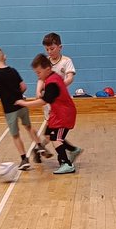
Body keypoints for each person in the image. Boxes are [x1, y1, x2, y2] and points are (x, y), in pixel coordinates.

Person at [17, 53, 78, 175]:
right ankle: (71, 151)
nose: (38, 75)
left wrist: (25, 104)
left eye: (39, 73)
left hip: (64, 115)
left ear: (48, 69)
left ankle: (67, 163)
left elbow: (44, 101)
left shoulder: (52, 83)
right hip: (57, 113)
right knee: (49, 134)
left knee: (56, 138)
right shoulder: (51, 79)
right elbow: (48, 95)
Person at [36, 31, 82, 162]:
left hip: (61, 102)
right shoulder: (45, 62)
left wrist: (58, 88)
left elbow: (70, 78)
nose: (49, 52)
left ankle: (44, 149)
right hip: (49, 102)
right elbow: (40, 79)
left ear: (60, 47)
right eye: (47, 49)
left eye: (52, 48)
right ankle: (41, 148)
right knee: (52, 132)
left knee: (55, 132)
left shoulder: (66, 61)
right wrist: (38, 91)